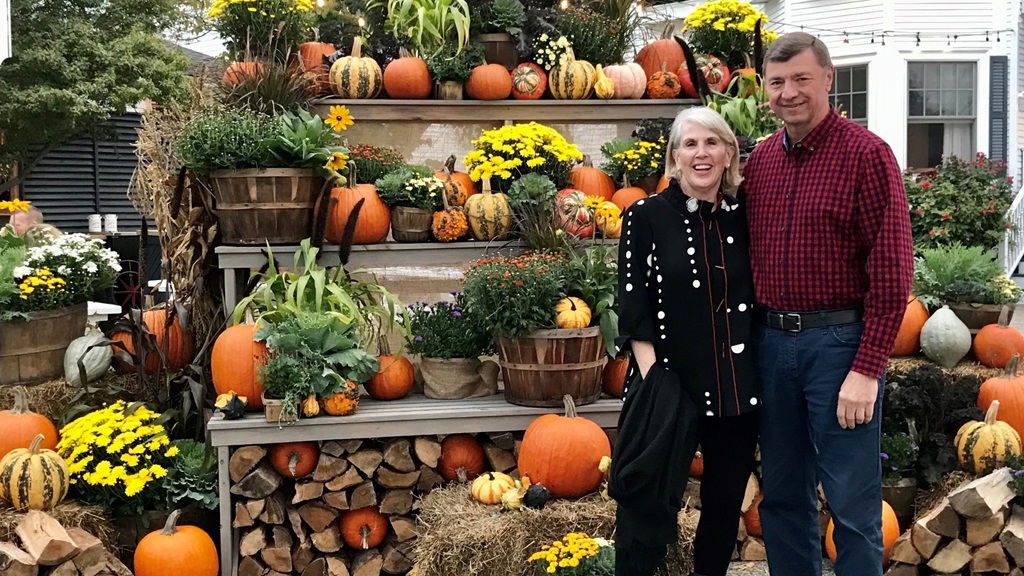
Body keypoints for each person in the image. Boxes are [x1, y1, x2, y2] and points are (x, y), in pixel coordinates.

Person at [741, 32, 913, 576]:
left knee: (853, 506)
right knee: (784, 498)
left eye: (801, 80)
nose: (788, 93)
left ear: (829, 79)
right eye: (777, 82)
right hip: (770, 347)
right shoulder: (761, 162)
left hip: (838, 349)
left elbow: (891, 273)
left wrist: (867, 369)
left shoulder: (867, 156)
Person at [609, 106, 760, 576]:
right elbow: (633, 307)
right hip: (668, 385)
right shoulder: (645, 216)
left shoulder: (744, 217)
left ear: (729, 153)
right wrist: (657, 383)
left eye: (712, 143)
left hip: (736, 389)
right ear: (674, 158)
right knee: (646, 507)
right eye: (690, 144)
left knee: (721, 508)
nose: (701, 153)